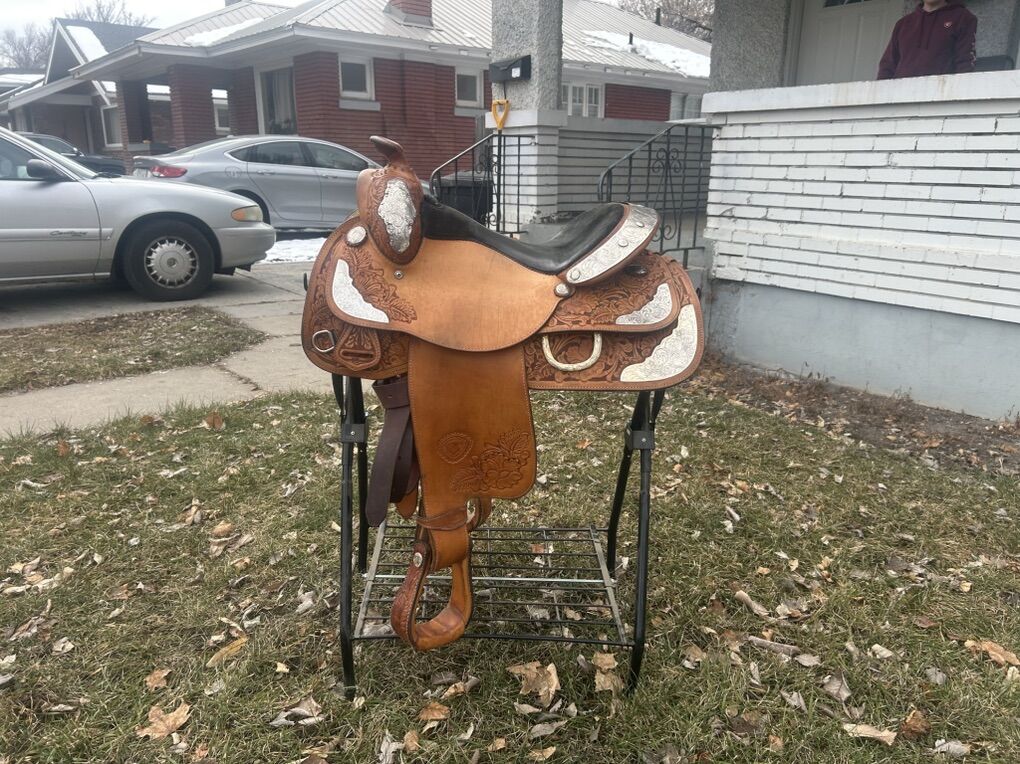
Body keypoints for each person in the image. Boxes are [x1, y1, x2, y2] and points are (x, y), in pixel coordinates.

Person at [878, 0, 977, 80]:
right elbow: (888, 65)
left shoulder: (963, 17)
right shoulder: (903, 24)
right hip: (900, 94)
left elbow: (965, 62)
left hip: (940, 95)